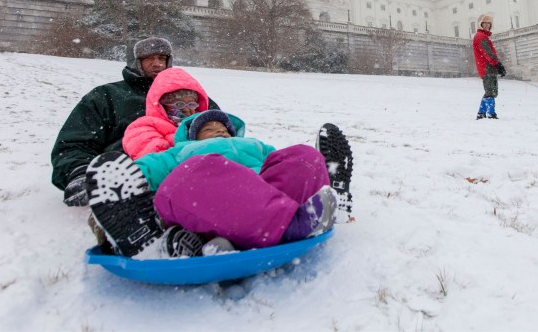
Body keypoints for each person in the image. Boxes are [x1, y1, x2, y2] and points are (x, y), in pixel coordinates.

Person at [85, 110, 349, 259]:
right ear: (191, 136)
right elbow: (140, 171)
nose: (218, 130)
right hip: (205, 202)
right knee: (195, 170)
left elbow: (282, 168)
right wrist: (111, 191)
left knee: (304, 157)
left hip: (259, 198)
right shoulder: (181, 153)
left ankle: (312, 199)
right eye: (208, 129)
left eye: (222, 127)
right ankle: (288, 224)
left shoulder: (254, 146)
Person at [52, 37, 220, 207]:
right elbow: (74, 142)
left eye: (162, 58)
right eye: (149, 58)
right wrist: (80, 172)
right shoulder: (107, 96)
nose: (157, 64)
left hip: (188, 173)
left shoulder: (192, 97)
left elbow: (222, 135)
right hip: (127, 174)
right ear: (135, 61)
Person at [122, 67, 211, 160]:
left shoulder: (204, 125)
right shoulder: (142, 128)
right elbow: (159, 161)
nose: (186, 109)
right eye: (179, 104)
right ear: (162, 105)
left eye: (192, 104)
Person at [472, 14, 506, 119]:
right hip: (487, 67)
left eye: (489, 23)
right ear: (481, 24)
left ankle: (481, 113)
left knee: (489, 91)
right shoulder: (481, 36)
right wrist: (498, 64)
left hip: (487, 67)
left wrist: (497, 65)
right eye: (485, 23)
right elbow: (488, 53)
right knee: (491, 91)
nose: (487, 25)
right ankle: (491, 113)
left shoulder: (483, 36)